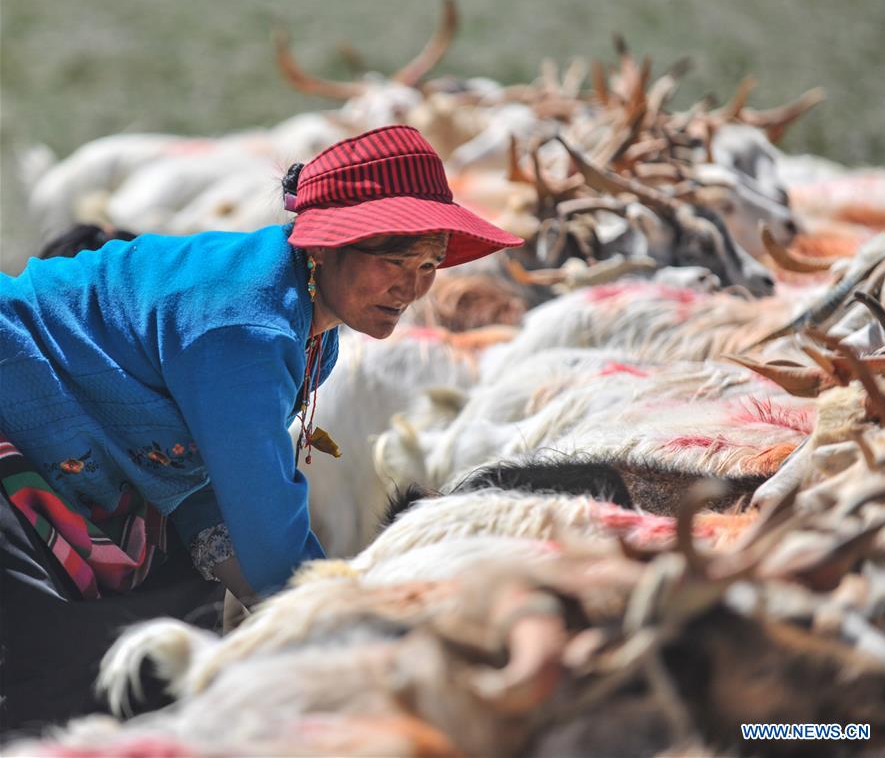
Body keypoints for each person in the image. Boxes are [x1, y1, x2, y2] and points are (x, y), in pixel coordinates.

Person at [0, 124, 522, 732]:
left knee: (164, 631)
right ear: (325, 247)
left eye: (429, 263)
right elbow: (267, 533)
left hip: (55, 430)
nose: (411, 287)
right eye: (393, 260)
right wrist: (350, 645)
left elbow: (209, 488)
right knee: (54, 656)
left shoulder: (311, 332)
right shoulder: (250, 331)